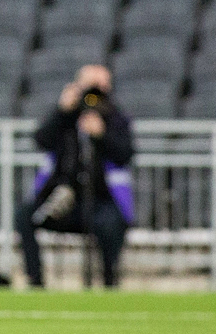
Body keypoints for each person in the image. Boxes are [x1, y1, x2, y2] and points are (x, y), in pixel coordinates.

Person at [16, 65, 133, 289]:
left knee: (111, 225)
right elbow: (41, 140)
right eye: (89, 87)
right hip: (64, 199)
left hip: (101, 200)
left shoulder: (116, 118)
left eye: (100, 87)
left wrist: (101, 135)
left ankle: (110, 284)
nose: (93, 95)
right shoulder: (66, 117)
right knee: (24, 215)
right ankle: (35, 281)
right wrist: (62, 111)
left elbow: (125, 155)